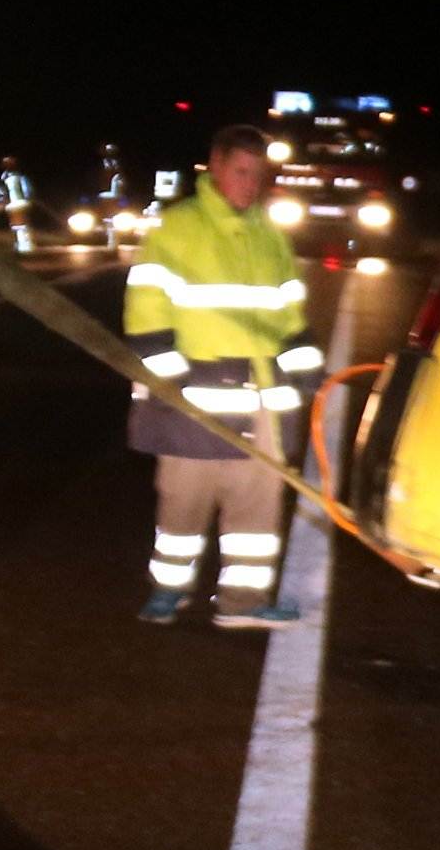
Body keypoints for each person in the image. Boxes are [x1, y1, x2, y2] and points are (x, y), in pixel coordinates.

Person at [124, 122, 315, 627]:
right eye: (241, 172)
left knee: (256, 511)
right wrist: (171, 383)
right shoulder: (177, 227)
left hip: (261, 397)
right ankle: (169, 590)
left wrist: (305, 371)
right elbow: (146, 314)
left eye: (259, 176)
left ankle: (242, 603)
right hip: (194, 399)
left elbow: (291, 319)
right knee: (184, 503)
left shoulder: (271, 238)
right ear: (215, 166)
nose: (250, 185)